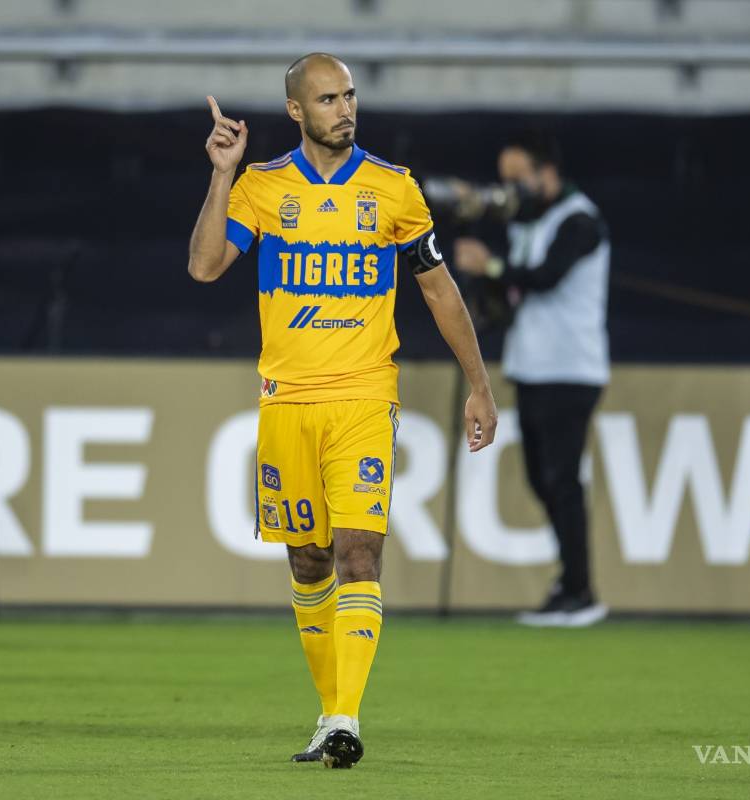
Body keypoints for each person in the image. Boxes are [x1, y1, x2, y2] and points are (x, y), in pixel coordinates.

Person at [187, 53, 498, 768]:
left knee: (360, 554)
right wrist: (222, 174)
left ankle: (345, 717)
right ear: (296, 111)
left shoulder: (393, 188)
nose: (345, 109)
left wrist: (479, 384)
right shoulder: (263, 186)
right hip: (287, 403)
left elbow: (439, 289)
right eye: (328, 99)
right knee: (308, 560)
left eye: (350, 95)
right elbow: (205, 266)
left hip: (364, 397)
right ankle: (331, 715)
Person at [452, 140, 610, 628]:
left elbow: (545, 276)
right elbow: (511, 294)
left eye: (519, 177)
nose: (512, 189)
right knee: (541, 478)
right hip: (532, 365)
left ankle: (580, 591)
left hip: (570, 368)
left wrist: (491, 266)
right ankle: (570, 582)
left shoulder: (579, 220)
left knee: (562, 479)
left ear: (548, 172)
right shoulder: (528, 222)